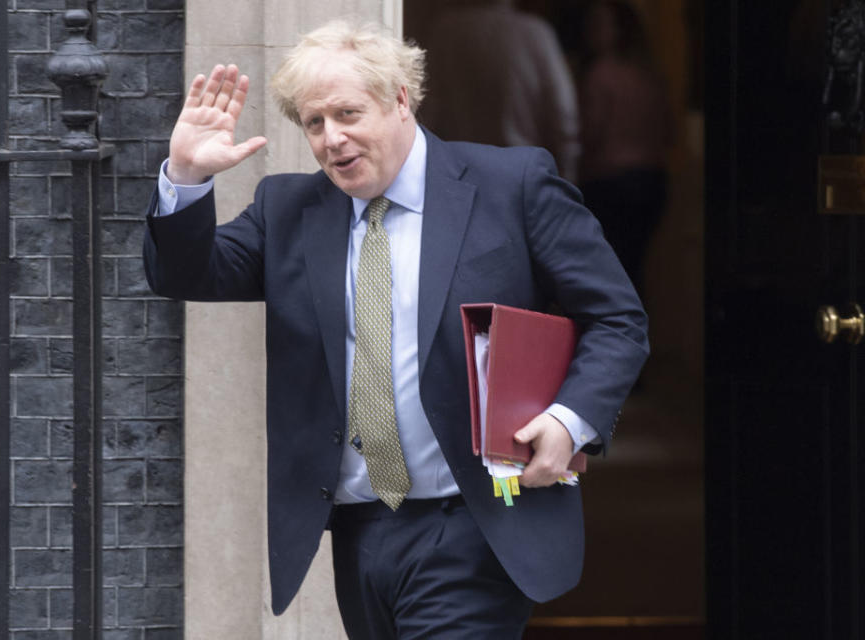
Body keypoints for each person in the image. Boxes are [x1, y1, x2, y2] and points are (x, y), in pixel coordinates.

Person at [143, 20, 648, 639]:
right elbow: (188, 274)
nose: (333, 139)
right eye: (314, 123)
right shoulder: (288, 211)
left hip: (475, 521)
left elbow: (617, 319)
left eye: (349, 113)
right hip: (359, 529)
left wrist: (570, 421)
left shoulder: (510, 185)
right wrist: (187, 177)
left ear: (401, 100)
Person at [419, 0, 581, 181]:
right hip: (521, 177)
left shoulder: (446, 33)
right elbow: (563, 117)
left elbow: (427, 113)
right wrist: (567, 182)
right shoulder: (535, 34)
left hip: (461, 177)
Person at [578, 0, 672, 300]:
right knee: (635, 268)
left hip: (610, 183)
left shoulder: (600, 73)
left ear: (618, 31)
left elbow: (591, 133)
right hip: (651, 181)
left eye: (599, 25)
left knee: (610, 275)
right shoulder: (649, 74)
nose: (591, 32)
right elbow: (669, 131)